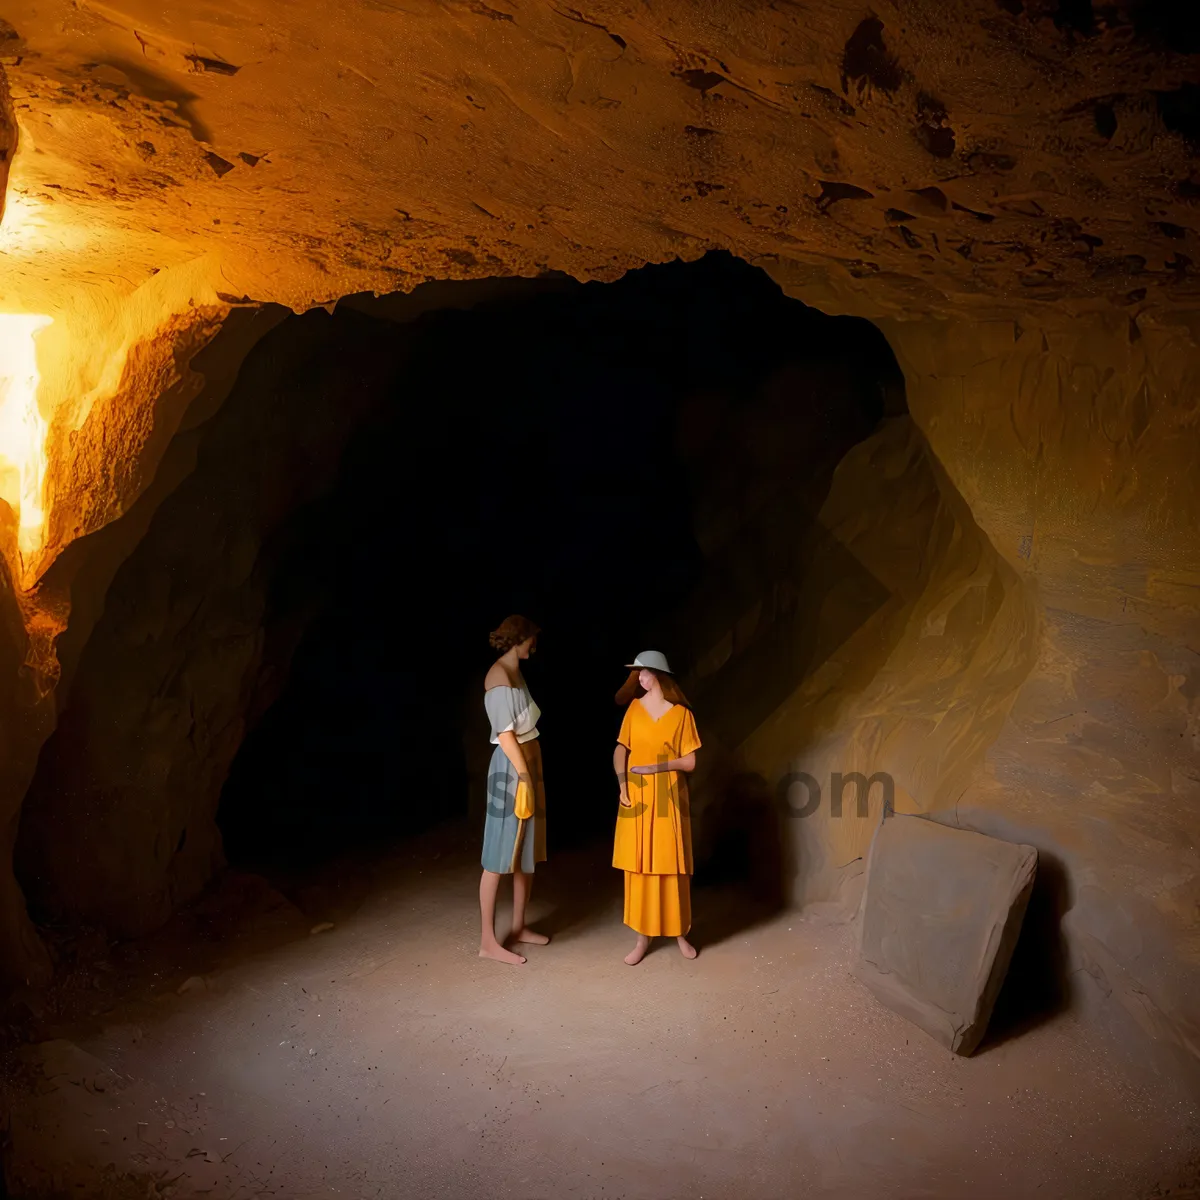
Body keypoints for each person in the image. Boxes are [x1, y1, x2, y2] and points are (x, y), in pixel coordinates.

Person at [612, 650, 701, 965]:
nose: (640, 678)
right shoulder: (634, 710)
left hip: (669, 798)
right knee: (640, 866)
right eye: (638, 674)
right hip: (636, 797)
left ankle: (680, 934)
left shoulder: (681, 715)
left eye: (645, 673)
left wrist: (658, 768)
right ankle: (641, 939)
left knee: (670, 864)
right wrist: (623, 784)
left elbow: (689, 761)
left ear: (660, 675)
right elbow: (621, 749)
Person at [479, 615, 548, 965]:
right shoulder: (499, 677)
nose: (534, 645)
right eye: (531, 639)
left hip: (526, 767)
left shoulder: (515, 672)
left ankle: (519, 926)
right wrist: (523, 776)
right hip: (512, 769)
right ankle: (488, 941)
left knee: (525, 854)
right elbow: (505, 735)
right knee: (498, 855)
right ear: (519, 639)